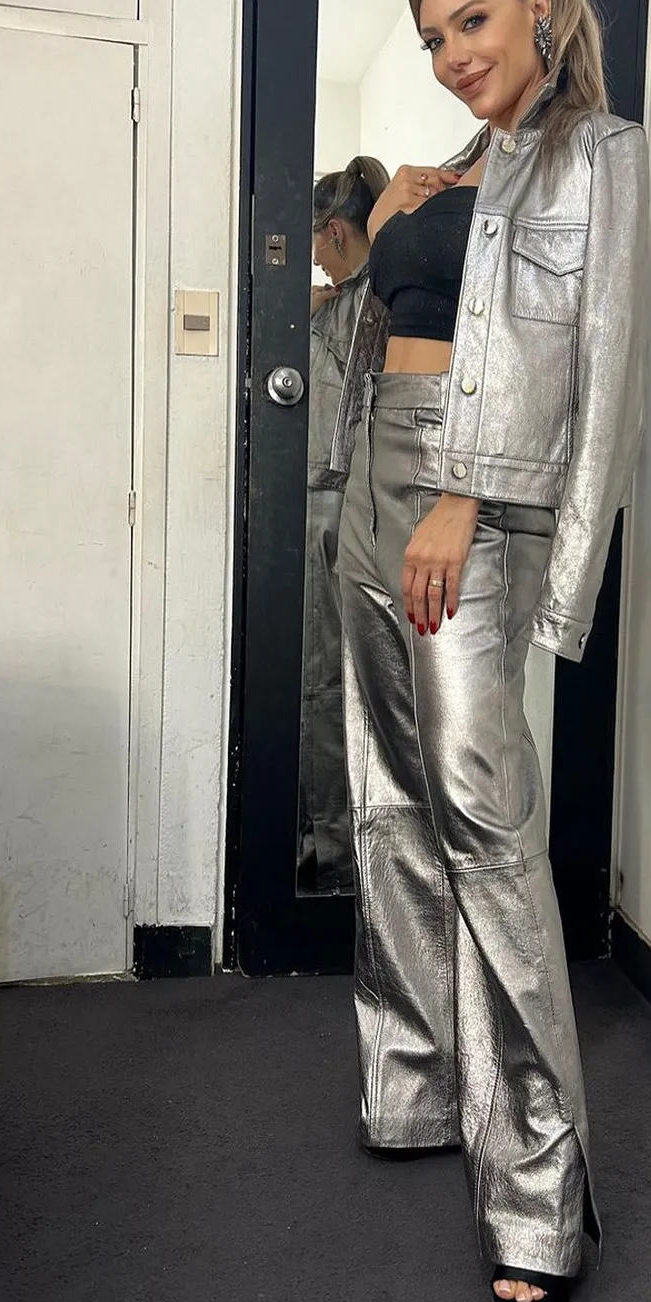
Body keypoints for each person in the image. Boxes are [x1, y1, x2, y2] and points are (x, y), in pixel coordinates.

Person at [330, 0, 649, 1302]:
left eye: (472, 20)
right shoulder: (449, 169)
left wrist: (468, 499)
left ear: (538, 6)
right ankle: (411, 1088)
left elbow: (599, 373)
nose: (453, 53)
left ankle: (536, 1199)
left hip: (473, 509)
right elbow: (390, 326)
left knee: (484, 825)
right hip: (372, 491)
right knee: (387, 799)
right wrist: (382, 229)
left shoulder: (597, 156)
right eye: (432, 37)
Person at [298, 156, 389, 892]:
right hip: (367, 509)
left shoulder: (359, 307)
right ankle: (343, 838)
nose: (314, 259)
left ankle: (334, 844)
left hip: (337, 508)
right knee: (347, 678)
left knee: (325, 679)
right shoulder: (369, 299)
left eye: (315, 242)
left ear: (334, 231)